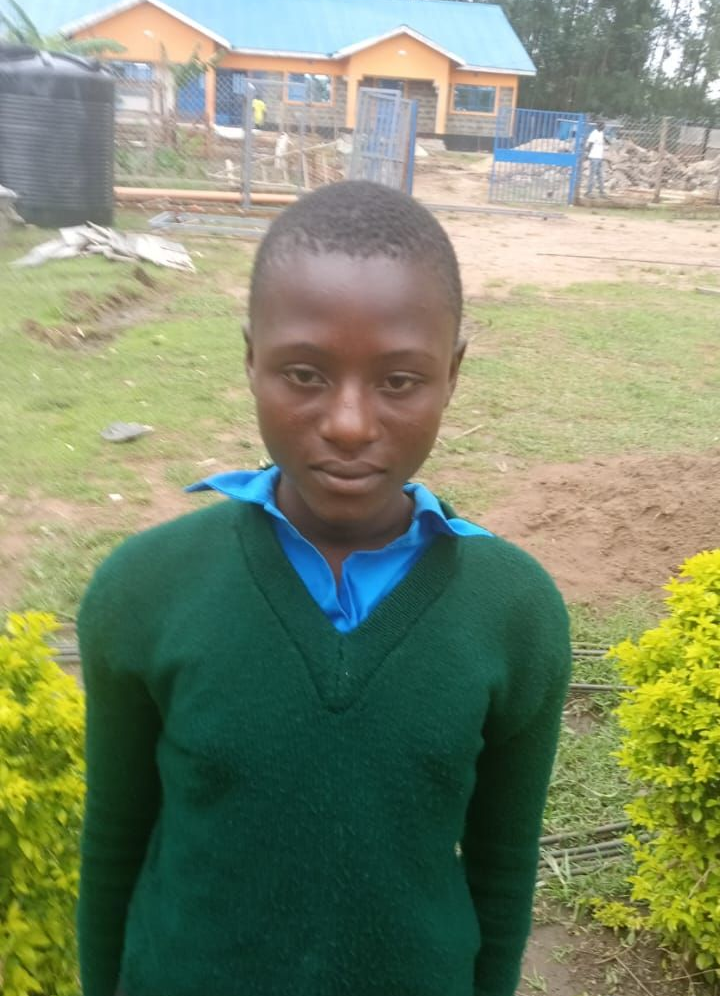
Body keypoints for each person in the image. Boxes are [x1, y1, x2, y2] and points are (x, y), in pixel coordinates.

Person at [77, 180, 571, 996]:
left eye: (400, 381)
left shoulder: (514, 615)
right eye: (304, 373)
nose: (348, 421)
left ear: (452, 372)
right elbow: (115, 846)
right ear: (249, 359)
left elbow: (502, 870)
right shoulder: (144, 591)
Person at [585, 120, 606, 196]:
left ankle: (602, 192)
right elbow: (589, 145)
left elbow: (605, 139)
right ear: (599, 126)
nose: (604, 127)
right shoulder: (594, 134)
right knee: (592, 175)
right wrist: (587, 154)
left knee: (600, 175)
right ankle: (589, 192)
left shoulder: (601, 133)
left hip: (599, 157)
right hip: (594, 157)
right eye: (603, 125)